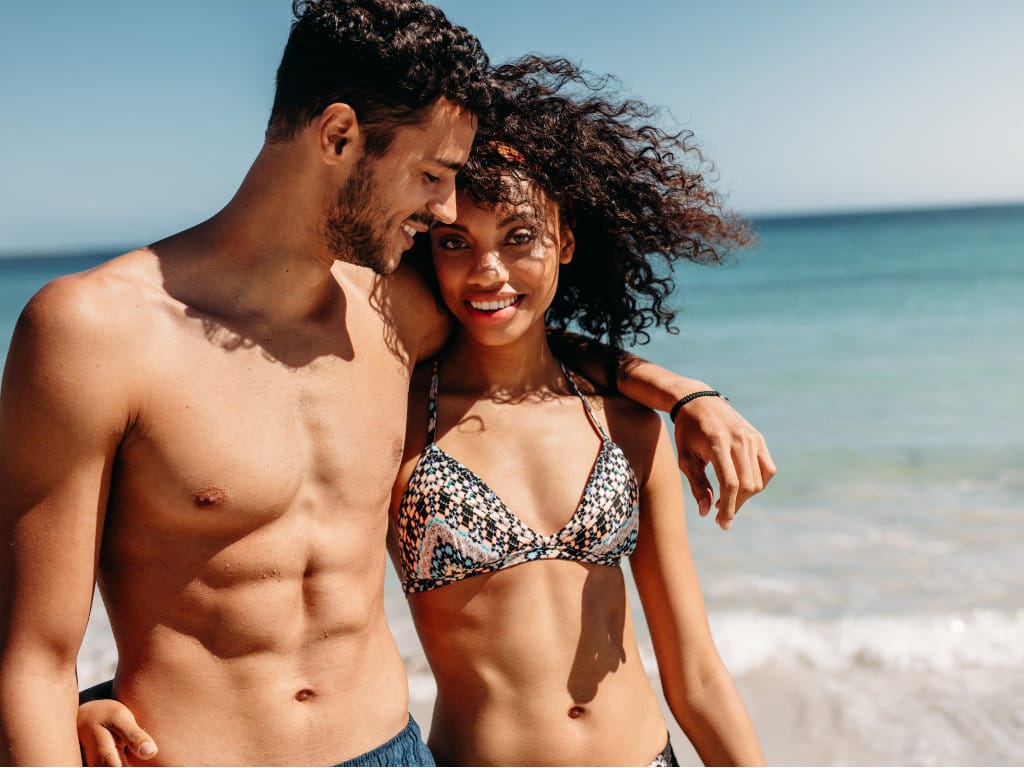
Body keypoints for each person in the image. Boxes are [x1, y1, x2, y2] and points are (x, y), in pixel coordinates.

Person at [1, 2, 772, 765]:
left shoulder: (395, 311)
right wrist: (77, 710)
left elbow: (517, 331)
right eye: (433, 176)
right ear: (338, 136)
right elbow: (31, 659)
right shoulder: (93, 332)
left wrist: (682, 395)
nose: (443, 208)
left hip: (390, 752)